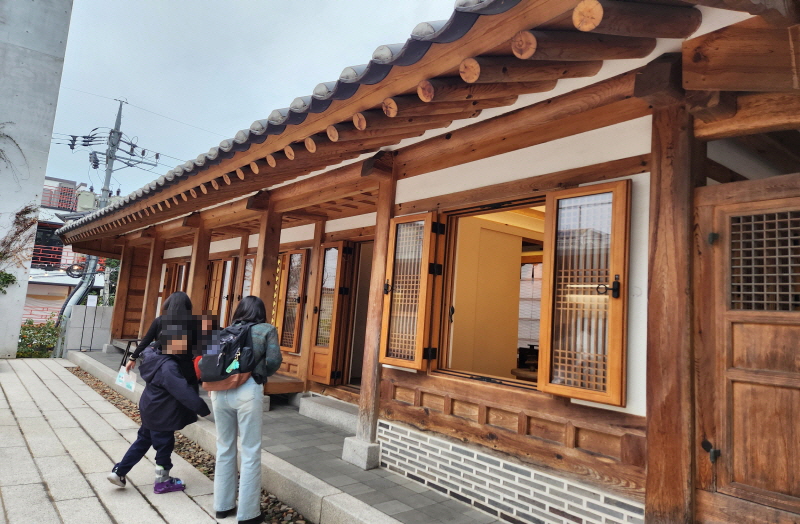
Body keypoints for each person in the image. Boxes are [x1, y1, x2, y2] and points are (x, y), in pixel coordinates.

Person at [107, 324, 211, 493]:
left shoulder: (153, 355)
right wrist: (202, 408)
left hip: (149, 407)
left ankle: (119, 472)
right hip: (163, 412)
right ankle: (162, 481)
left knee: (143, 441)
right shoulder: (168, 367)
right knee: (164, 445)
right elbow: (182, 390)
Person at [210, 296, 282, 524]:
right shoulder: (266, 329)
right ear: (261, 312)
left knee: (224, 447)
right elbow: (274, 360)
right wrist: (259, 372)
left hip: (219, 390)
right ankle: (248, 513)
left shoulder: (225, 330)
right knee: (250, 449)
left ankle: (222, 506)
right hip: (248, 389)